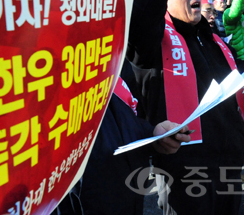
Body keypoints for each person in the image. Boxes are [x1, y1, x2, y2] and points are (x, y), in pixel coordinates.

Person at [126, 0, 244, 214]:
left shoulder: (212, 39)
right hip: (185, 177)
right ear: (164, 0)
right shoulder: (153, 43)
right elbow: (141, 15)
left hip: (229, 168)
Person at [52, 64, 190, 215]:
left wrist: (154, 135)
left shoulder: (110, 62)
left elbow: (125, 121)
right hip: (82, 198)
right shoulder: (49, 69)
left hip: (126, 193)